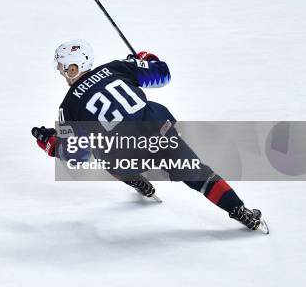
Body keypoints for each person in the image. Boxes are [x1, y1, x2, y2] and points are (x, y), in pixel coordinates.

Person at [32, 39, 268, 233]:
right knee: (199, 175)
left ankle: (133, 177)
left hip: (123, 154)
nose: (64, 73)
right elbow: (162, 75)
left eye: (67, 67)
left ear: (78, 66)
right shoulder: (116, 67)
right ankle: (240, 210)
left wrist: (52, 144)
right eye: (62, 68)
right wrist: (146, 60)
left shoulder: (68, 106)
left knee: (101, 149)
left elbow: (77, 155)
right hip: (158, 131)